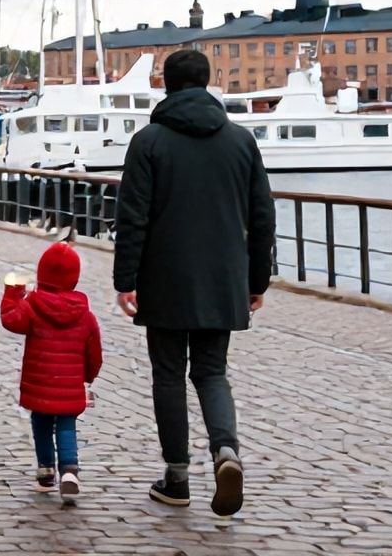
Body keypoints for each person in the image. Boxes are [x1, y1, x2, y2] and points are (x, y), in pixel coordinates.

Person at [112, 48, 274, 516]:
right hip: (223, 277)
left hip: (163, 277)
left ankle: (177, 478)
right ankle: (226, 451)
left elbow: (133, 217)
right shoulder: (241, 141)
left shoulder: (149, 141)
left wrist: (126, 280)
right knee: (211, 371)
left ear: (166, 84)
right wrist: (256, 280)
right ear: (209, 82)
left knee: (168, 375)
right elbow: (262, 217)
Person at [2, 239, 102, 504]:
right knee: (67, 425)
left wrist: (13, 292)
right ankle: (69, 470)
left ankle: (46, 471)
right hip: (69, 385)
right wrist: (87, 376)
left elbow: (11, 320)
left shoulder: (33, 305)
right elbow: (94, 353)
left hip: (40, 383)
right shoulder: (85, 315)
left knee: (42, 423)